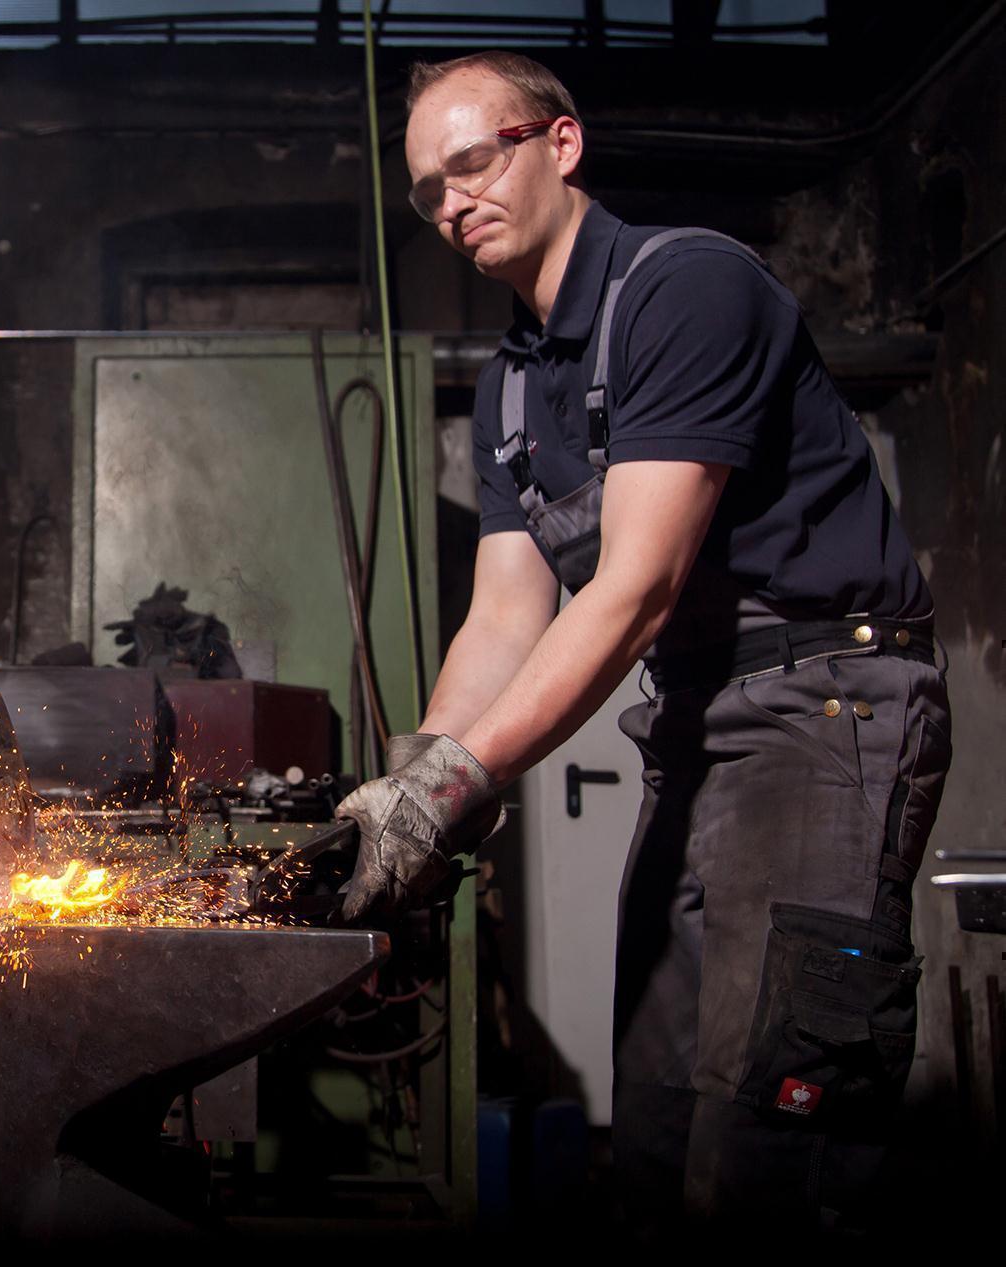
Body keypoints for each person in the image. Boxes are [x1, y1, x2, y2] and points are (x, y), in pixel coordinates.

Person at [335, 52, 950, 1227]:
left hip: (827, 712)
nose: (452, 200)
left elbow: (634, 589)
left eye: (473, 161)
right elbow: (505, 616)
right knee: (659, 1114)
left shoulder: (684, 290)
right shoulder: (514, 392)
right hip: (692, 731)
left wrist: (460, 783)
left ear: (559, 143)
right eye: (428, 190)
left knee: (770, 1128)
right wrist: (407, 780)